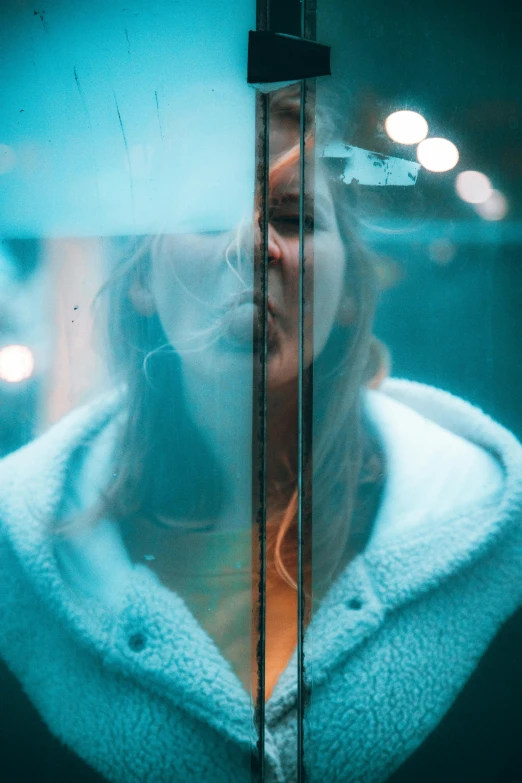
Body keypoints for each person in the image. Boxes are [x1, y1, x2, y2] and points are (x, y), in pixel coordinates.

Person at [0, 86, 521, 783]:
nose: (252, 246)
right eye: (211, 215)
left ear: (349, 296)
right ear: (141, 281)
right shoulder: (22, 557)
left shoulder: (490, 545)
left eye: (295, 217)